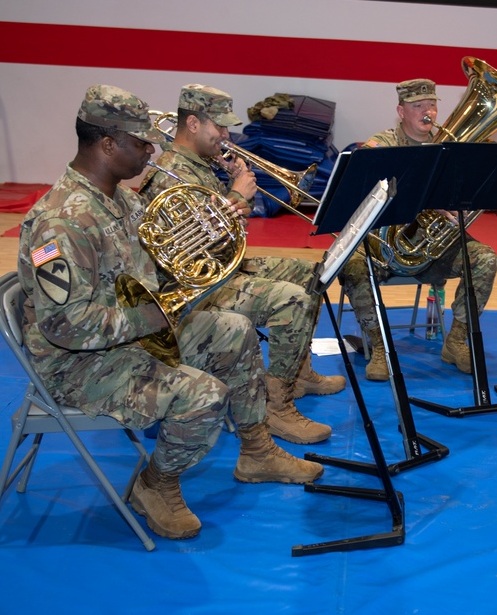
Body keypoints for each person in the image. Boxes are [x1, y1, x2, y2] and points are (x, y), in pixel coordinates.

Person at [17, 85, 324, 540]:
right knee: (204, 395)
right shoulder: (59, 222)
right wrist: (156, 315)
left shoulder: (120, 197)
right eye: (141, 142)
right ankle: (155, 485)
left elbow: (167, 249)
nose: (151, 149)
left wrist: (219, 218)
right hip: (79, 365)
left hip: (132, 336)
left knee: (234, 328)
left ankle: (256, 450)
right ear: (108, 144)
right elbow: (65, 326)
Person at [139, 84, 343, 446]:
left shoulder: (199, 165)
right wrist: (234, 199)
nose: (226, 135)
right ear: (192, 123)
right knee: (292, 299)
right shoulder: (168, 173)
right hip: (197, 289)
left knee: (311, 272)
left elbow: (215, 230)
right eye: (218, 127)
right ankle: (276, 408)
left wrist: (234, 203)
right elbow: (184, 253)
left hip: (222, 269)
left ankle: (297, 373)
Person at [339, 78, 497, 380]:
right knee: (352, 263)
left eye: (432, 105)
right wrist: (423, 202)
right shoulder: (382, 145)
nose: (428, 112)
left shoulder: (449, 148)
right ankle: (378, 347)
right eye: (418, 106)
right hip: (383, 245)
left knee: (486, 259)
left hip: (431, 248)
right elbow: (363, 190)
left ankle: (455, 342)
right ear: (401, 111)